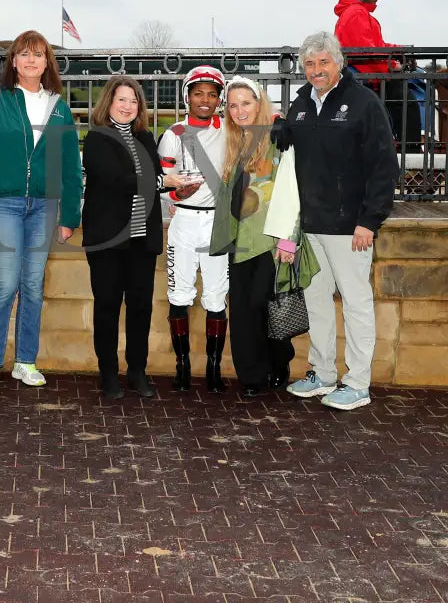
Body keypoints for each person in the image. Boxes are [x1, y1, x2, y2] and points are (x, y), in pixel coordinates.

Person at [277, 31, 399, 410]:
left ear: (339, 63)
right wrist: (281, 126)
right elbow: (290, 166)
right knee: (316, 302)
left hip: (351, 228)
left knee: (356, 302)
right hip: (310, 225)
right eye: (310, 64)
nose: (316, 71)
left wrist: (369, 220)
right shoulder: (299, 105)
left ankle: (358, 383)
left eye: (323, 63)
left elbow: (384, 166)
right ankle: (323, 373)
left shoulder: (363, 103)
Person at [0, 30, 82, 391]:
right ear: (13, 61)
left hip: (44, 207)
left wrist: (69, 216)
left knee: (32, 285)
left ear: (48, 62)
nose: (31, 60)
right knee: (5, 283)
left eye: (38, 55)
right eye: (24, 54)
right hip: (7, 205)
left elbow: (70, 165)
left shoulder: (58, 106)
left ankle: (25, 361)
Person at [210, 77, 318, 397]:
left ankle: (279, 361)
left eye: (246, 103)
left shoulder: (277, 136)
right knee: (243, 312)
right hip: (239, 239)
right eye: (233, 105)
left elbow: (292, 189)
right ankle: (252, 376)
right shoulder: (233, 141)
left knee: (267, 304)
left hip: (271, 240)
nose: (240, 110)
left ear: (260, 104)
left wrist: (289, 239)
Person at [81, 77, 165, 399]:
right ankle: (108, 374)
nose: (128, 106)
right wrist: (160, 180)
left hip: (142, 240)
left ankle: (137, 371)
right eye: (122, 100)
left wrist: (177, 183)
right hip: (108, 239)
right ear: (109, 103)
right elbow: (119, 180)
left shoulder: (145, 137)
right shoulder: (97, 138)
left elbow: (155, 180)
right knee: (107, 306)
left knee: (141, 307)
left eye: (134, 101)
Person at [156, 66, 230, 393]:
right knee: (179, 295)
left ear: (219, 99)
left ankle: (213, 367)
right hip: (184, 220)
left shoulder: (229, 130)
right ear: (187, 96)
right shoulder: (173, 133)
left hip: (217, 221)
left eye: (212, 94)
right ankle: (182, 364)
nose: (205, 100)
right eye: (198, 93)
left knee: (216, 297)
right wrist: (176, 193)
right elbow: (163, 183)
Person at [334, 0, 420, 147]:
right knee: (407, 101)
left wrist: (397, 50)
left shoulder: (356, 13)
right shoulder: (356, 14)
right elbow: (366, 50)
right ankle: (411, 153)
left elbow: (374, 46)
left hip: (368, 73)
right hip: (369, 77)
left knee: (406, 96)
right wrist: (391, 64)